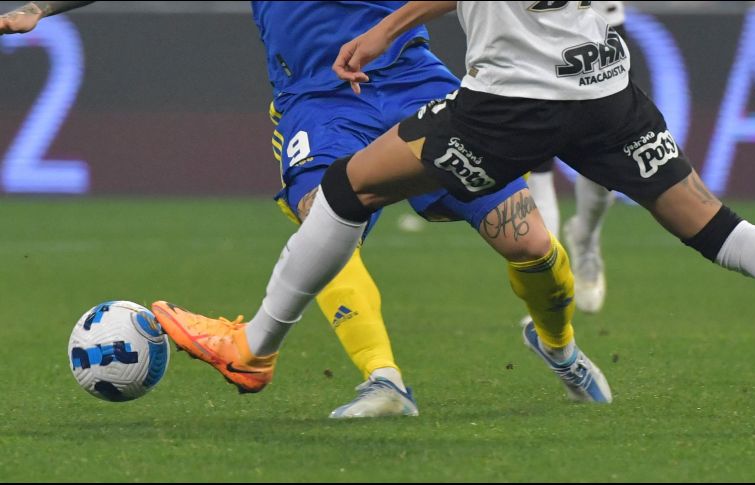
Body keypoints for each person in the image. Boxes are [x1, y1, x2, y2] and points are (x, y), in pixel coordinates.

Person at [149, 0, 755, 409]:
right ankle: (382, 375)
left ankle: (254, 347)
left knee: (347, 190)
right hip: (605, 90)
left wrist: (385, 29)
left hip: (511, 107)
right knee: (719, 229)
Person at [1, 1, 612, 414]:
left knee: (527, 241)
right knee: (326, 212)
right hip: (317, 102)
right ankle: (384, 380)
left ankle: (558, 347)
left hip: (414, 82)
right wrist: (41, 8)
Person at [527, 1, 626, 315]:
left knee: (603, 170)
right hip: (525, 37)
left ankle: (585, 238)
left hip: (598, 31)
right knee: (536, 166)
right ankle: (549, 290)